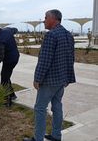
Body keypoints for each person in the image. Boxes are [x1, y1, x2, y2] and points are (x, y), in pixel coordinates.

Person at [23, 9, 76, 141]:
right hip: (62, 80)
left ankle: (38, 138)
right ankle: (56, 136)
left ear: (54, 19)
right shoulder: (68, 35)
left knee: (40, 109)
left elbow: (44, 60)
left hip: (49, 81)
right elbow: (71, 57)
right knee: (57, 106)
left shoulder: (51, 35)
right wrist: (68, 77)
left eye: (46, 17)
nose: (44, 20)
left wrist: (37, 79)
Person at [0, 24, 20, 106]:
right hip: (15, 56)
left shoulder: (0, 41)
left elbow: (1, 56)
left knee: (4, 79)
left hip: (9, 60)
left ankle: (8, 99)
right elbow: (15, 29)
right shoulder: (7, 30)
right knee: (6, 76)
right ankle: (12, 95)